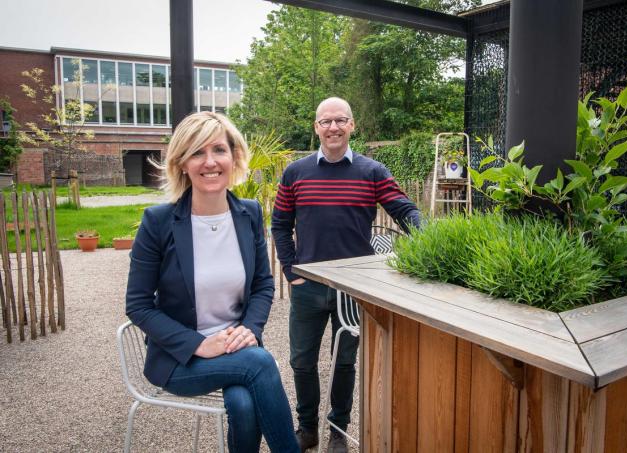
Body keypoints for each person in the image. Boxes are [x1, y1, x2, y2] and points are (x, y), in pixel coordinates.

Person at [126, 111, 299, 453]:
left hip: (236, 348)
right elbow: (138, 305)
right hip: (181, 358)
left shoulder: (248, 214)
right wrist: (198, 344)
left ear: (234, 157)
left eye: (219, 150)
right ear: (182, 163)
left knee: (244, 404)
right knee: (260, 363)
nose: (210, 162)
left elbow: (263, 284)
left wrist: (250, 327)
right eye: (197, 152)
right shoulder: (158, 222)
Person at [271, 97, 421, 453]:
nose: (333, 127)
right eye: (326, 121)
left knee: (345, 362)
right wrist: (292, 271)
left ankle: (337, 430)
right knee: (301, 361)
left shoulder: (372, 171)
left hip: (353, 289)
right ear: (316, 128)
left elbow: (404, 210)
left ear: (353, 125)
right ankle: (307, 428)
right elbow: (279, 224)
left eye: (341, 120)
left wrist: (431, 238)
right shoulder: (296, 172)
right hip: (308, 286)